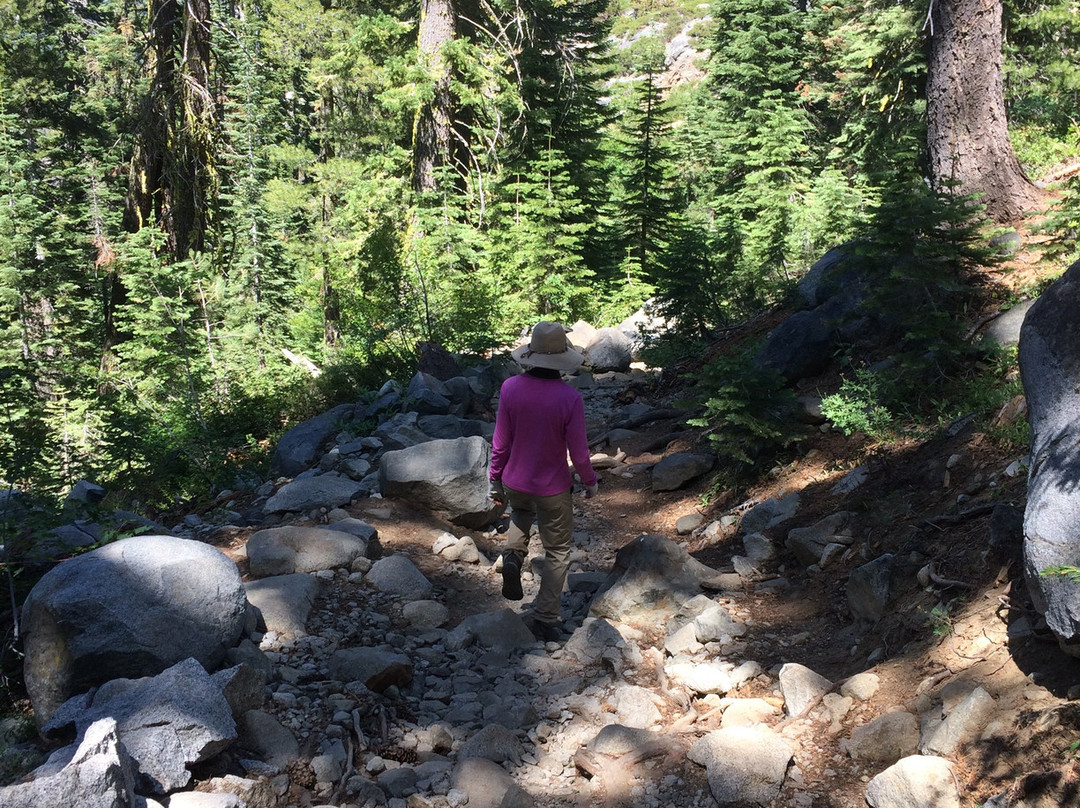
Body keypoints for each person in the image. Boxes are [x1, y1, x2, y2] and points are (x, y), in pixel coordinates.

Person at [489, 321, 599, 643]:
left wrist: (495, 479)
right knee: (558, 552)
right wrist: (590, 482)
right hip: (553, 487)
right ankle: (546, 617)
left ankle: (512, 556)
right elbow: (578, 452)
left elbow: (500, 444)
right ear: (563, 358)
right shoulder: (569, 398)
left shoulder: (509, 388)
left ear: (531, 354)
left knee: (521, 514)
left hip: (515, 481)